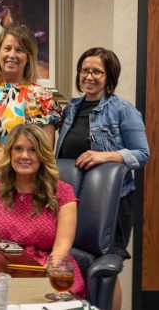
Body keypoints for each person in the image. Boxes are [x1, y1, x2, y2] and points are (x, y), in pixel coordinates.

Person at [56, 47, 149, 310]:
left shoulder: (122, 110)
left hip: (112, 204)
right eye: (85, 70)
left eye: (97, 71)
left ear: (109, 77)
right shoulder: (70, 109)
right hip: (71, 203)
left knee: (105, 268)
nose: (89, 76)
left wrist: (105, 156)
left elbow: (142, 154)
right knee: (72, 262)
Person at [0, 24, 61, 227]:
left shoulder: (38, 96)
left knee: (15, 248)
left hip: (19, 184)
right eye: (7, 48)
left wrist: (6, 161)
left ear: (28, 57)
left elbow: (45, 151)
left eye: (19, 49)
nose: (12, 55)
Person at [0, 124, 84, 298]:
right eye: (18, 149)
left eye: (33, 150)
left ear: (42, 155)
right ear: (10, 153)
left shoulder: (63, 192)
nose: (25, 156)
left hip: (50, 270)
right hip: (6, 269)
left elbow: (61, 248)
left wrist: (37, 281)